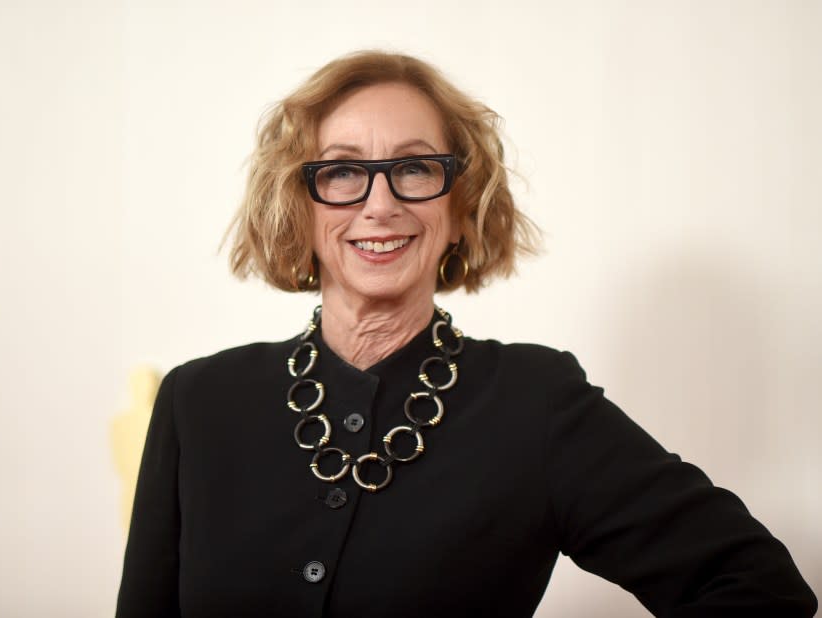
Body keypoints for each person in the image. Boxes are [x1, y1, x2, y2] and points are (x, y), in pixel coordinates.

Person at [116, 51, 816, 617]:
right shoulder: (197, 400)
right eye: (342, 172)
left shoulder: (536, 404)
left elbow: (756, 588)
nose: (380, 204)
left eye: (416, 168)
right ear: (297, 206)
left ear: (461, 207)